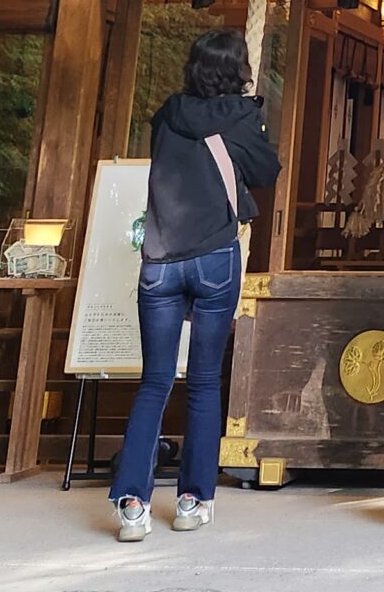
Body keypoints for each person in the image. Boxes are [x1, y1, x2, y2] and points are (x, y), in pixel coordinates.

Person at [110, 28, 278, 542]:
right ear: (237, 68)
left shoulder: (167, 113)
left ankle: (133, 505)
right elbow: (266, 171)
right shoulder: (241, 115)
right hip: (213, 259)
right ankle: (192, 500)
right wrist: (254, 124)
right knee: (204, 381)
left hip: (160, 259)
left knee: (155, 381)